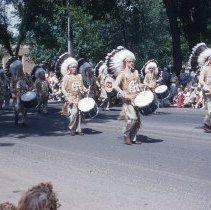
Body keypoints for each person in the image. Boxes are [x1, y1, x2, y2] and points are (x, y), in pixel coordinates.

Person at [112, 47, 142, 145]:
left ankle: (133, 138)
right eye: (129, 61)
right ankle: (126, 134)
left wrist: (144, 87)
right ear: (125, 63)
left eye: (133, 61)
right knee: (132, 118)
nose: (132, 63)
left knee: (137, 120)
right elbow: (115, 85)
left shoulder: (136, 72)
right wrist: (123, 93)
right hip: (128, 99)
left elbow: (138, 84)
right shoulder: (122, 74)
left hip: (137, 98)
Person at [61, 57, 88, 136]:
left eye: (75, 67)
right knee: (74, 113)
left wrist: (85, 90)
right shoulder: (67, 77)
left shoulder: (79, 76)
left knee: (79, 114)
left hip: (79, 98)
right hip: (71, 98)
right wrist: (67, 96)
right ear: (69, 68)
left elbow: (82, 86)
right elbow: (63, 88)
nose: (74, 68)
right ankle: (72, 128)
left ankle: (78, 129)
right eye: (73, 67)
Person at [199, 56, 211, 132]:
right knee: (210, 110)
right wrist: (206, 87)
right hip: (208, 91)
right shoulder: (205, 68)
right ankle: (207, 124)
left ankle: (207, 124)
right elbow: (201, 80)